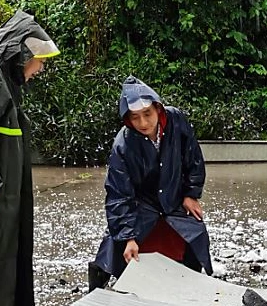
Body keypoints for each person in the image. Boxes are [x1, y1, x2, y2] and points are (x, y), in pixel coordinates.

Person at [88, 76, 212, 290]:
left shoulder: (176, 120)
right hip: (142, 204)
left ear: (158, 109)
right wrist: (128, 237)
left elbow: (193, 158)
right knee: (113, 248)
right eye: (135, 117)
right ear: (127, 119)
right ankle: (104, 285)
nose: (143, 123)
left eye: (147, 114)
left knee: (196, 234)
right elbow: (118, 194)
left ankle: (189, 279)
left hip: (173, 198)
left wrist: (191, 194)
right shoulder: (123, 144)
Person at [0, 11, 60, 306]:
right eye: (39, 60)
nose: (41, 68)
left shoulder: (9, 89)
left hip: (8, 209)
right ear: (22, 54)